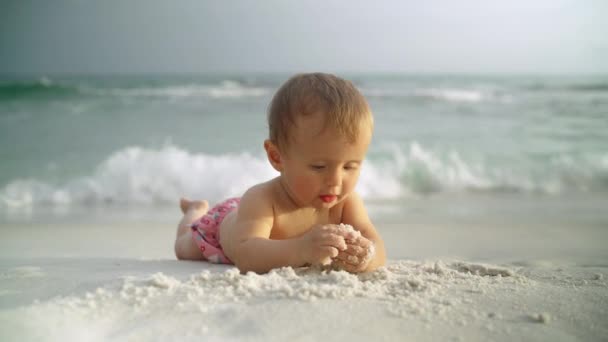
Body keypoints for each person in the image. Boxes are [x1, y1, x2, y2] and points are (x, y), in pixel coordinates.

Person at [174, 73, 386, 274]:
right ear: (277, 157)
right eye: (319, 167)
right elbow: (246, 256)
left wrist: (365, 257)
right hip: (220, 229)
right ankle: (195, 210)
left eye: (350, 166)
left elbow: (379, 250)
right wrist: (302, 250)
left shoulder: (346, 203)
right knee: (184, 249)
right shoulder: (262, 200)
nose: (335, 181)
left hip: (247, 216)